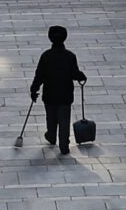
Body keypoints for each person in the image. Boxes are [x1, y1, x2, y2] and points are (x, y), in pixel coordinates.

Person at [29, 26, 88, 156]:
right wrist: (81, 76)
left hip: (50, 95)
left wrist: (34, 90)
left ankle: (51, 136)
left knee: (51, 118)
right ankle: (64, 144)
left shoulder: (46, 56)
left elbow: (39, 75)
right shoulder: (70, 56)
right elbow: (74, 73)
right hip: (65, 95)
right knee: (64, 120)